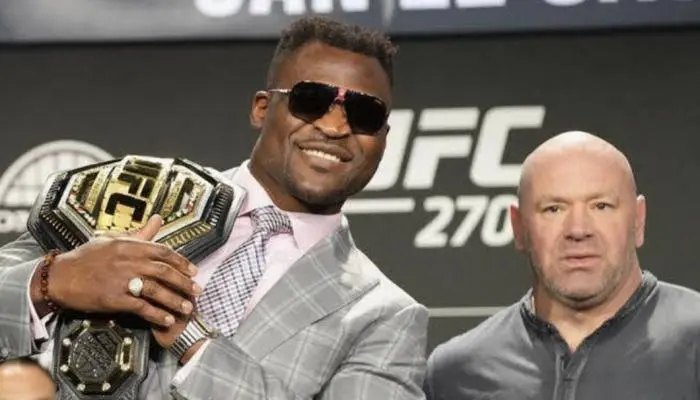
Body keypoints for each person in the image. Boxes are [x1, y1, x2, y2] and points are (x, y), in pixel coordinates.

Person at [0, 17, 428, 399]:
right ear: (262, 108)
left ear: (383, 138)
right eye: (311, 100)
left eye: (364, 113)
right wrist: (52, 281)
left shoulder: (385, 317)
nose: (335, 127)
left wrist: (195, 343)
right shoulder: (135, 191)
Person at [424, 131, 700, 400]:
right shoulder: (456, 373)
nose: (578, 230)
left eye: (601, 206)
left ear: (638, 220)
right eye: (553, 209)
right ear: (518, 227)